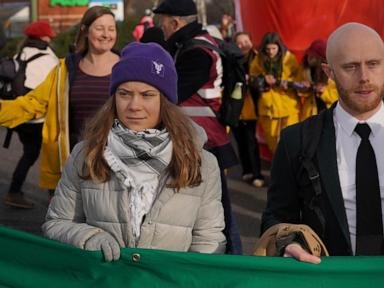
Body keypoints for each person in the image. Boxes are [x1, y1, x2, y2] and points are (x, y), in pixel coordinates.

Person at [42, 42, 226, 262]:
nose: (134, 105)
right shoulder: (86, 154)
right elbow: (56, 223)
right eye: (124, 93)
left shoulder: (201, 162)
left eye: (147, 95)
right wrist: (87, 236)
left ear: (165, 101)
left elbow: (208, 241)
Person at [260, 22, 384, 263]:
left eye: (373, 64)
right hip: (328, 277)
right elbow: (275, 217)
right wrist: (289, 244)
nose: (364, 77)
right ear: (329, 72)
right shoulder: (297, 140)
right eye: (350, 67)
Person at [0, 6, 119, 200]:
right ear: (85, 30)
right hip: (74, 168)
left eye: (111, 29)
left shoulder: (127, 66)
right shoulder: (66, 68)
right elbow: (33, 103)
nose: (106, 34)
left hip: (117, 170)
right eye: (99, 28)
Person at [153, 0, 241, 254]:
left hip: (205, 141)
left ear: (175, 22)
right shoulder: (193, 45)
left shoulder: (196, 52)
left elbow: (173, 93)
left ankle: (233, 262)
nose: (162, 27)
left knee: (217, 211)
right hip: (199, 137)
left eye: (163, 21)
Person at [3, 21, 59, 208]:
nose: (50, 38)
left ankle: (14, 192)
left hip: (20, 116)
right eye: (48, 35)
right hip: (38, 117)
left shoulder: (20, 53)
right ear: (43, 37)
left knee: (30, 153)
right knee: (52, 156)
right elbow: (53, 88)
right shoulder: (47, 58)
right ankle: (54, 199)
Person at [249, 32, 301, 154]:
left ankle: (292, 171)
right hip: (268, 108)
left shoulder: (289, 58)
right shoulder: (259, 60)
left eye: (274, 48)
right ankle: (279, 169)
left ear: (279, 47)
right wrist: (263, 79)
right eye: (268, 49)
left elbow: (299, 80)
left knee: (291, 141)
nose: (271, 52)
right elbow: (252, 78)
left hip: (288, 106)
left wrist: (286, 82)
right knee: (273, 144)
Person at [232, 32, 264, 187]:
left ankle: (257, 173)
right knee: (240, 140)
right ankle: (247, 170)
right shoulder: (232, 59)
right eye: (239, 43)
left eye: (245, 41)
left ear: (251, 41)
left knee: (251, 140)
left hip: (252, 104)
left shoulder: (258, 58)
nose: (242, 45)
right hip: (237, 104)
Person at [298, 39, 338, 121]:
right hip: (310, 114)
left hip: (328, 114)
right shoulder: (305, 69)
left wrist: (323, 92)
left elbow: (337, 97)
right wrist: (303, 88)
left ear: (320, 58)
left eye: (313, 56)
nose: (309, 57)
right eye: (309, 54)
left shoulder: (332, 72)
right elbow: (300, 91)